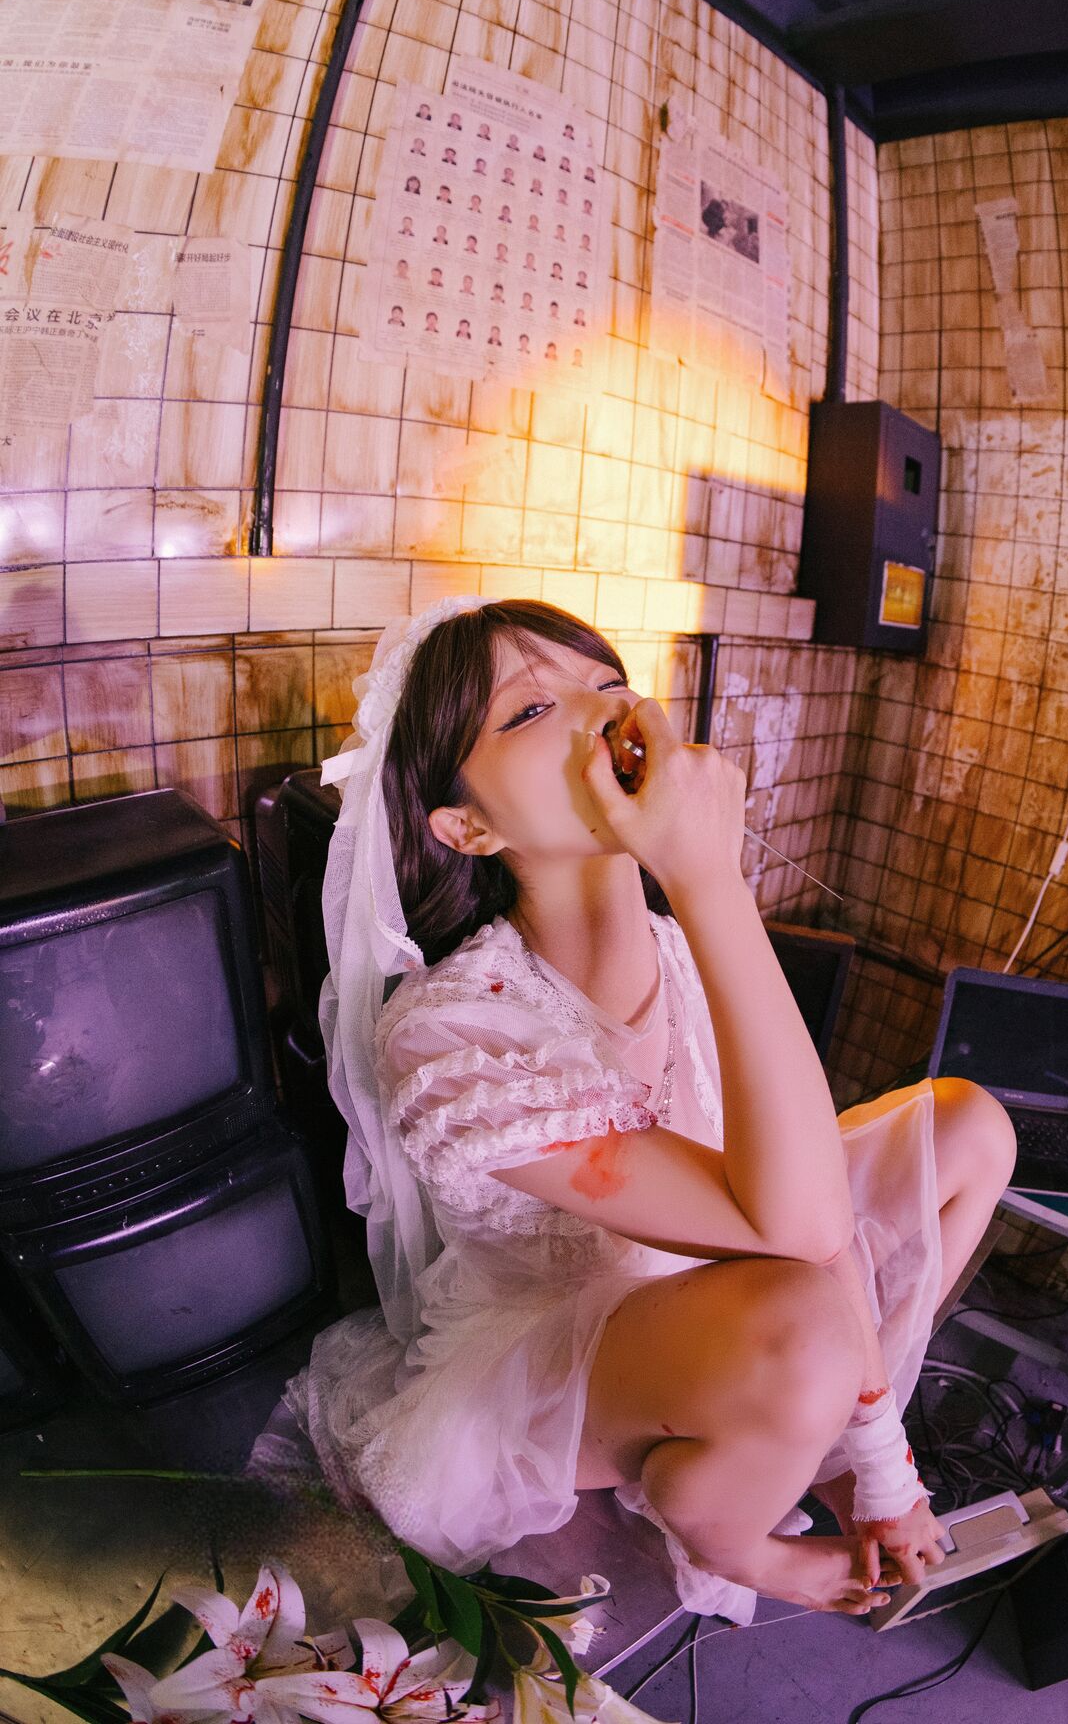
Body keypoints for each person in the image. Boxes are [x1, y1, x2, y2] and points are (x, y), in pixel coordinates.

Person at [246, 598, 1016, 1625]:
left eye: (608, 684)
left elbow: (808, 1207)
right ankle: (728, 1531)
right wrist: (708, 878)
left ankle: (808, 1432)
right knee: (805, 1317)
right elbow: (802, 1233)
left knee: (969, 1124)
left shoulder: (683, 946)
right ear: (469, 827)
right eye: (531, 711)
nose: (603, 714)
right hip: (565, 1352)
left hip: (736, 1267)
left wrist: (878, 1462)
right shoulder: (448, 1034)